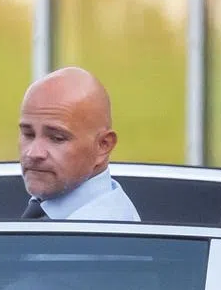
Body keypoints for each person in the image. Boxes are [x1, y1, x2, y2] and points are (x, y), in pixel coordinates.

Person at [18, 66, 140, 221]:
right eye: (28, 134)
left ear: (103, 146)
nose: (33, 153)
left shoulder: (99, 238)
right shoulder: (53, 209)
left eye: (57, 138)